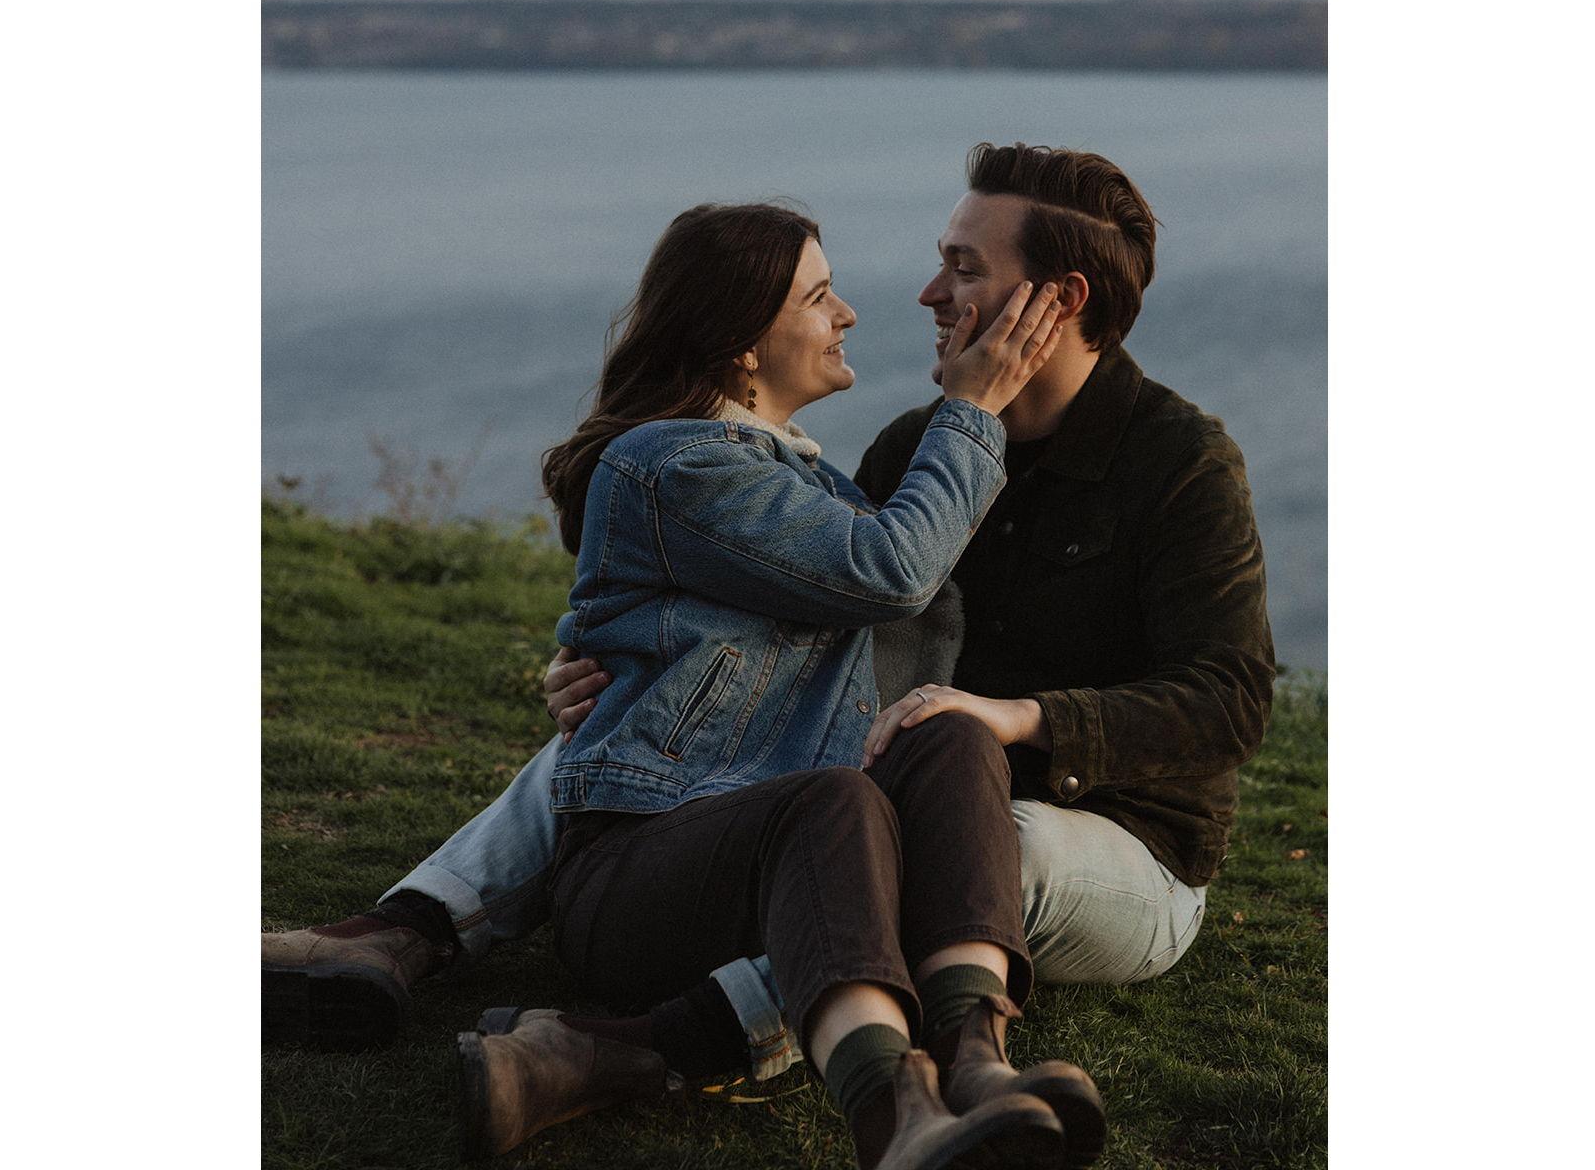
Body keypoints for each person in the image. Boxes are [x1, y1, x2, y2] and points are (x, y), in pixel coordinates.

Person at [265, 141, 1273, 1151]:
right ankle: (413, 925)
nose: (927, 290)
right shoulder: (915, 447)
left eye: (965, 267)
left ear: (1057, 299)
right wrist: (627, 679)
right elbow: (816, 622)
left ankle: (623, 1048)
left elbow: (1230, 699)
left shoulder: (1178, 463)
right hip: (928, 774)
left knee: (950, 847)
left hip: (1109, 836)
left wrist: (1023, 717)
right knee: (743, 765)